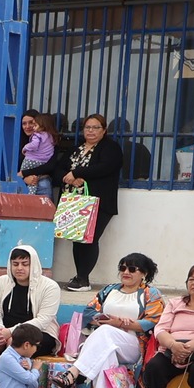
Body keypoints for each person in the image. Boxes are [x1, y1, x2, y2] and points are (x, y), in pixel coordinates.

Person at [64, 253, 165, 388]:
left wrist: (121, 324)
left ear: (144, 273)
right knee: (106, 352)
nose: (126, 272)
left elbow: (152, 321)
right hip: (108, 343)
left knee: (106, 332)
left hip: (133, 344)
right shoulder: (109, 290)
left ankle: (75, 371)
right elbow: (89, 311)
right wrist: (103, 318)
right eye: (122, 268)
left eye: (132, 269)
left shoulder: (151, 293)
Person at [54, 113, 124, 289]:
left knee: (90, 239)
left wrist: (78, 173)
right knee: (78, 239)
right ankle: (80, 277)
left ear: (104, 130)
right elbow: (58, 168)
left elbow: (106, 167)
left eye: (95, 127)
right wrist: (67, 177)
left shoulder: (111, 148)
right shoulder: (76, 148)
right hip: (74, 202)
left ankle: (83, 278)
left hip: (99, 202)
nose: (91, 131)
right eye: (87, 127)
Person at [0, 245, 61, 381]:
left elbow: (43, 320)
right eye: (15, 264)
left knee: (15, 341)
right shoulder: (1, 283)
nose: (19, 268)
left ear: (33, 265)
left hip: (40, 334)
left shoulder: (50, 287)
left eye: (25, 264)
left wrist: (10, 332)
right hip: (6, 332)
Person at [18, 112, 56, 194]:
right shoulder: (18, 141)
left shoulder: (49, 141)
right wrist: (24, 178)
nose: (28, 126)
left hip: (41, 181)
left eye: (31, 123)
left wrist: (25, 173)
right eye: (24, 123)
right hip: (22, 183)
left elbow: (49, 166)